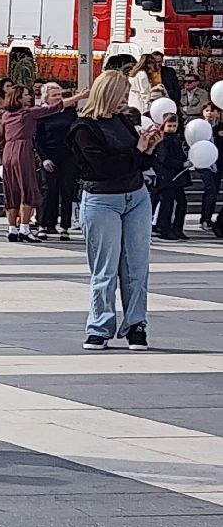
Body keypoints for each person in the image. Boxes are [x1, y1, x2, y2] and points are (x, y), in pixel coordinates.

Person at [70, 69, 162, 350]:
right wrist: (138, 151)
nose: (125, 100)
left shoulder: (122, 121)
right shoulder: (83, 128)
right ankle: (99, 326)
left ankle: (136, 324)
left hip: (135, 196)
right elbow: (103, 169)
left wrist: (148, 149)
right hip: (101, 199)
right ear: (107, 93)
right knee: (105, 268)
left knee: (136, 266)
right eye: (121, 94)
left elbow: (138, 164)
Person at [0, 80, 82, 243]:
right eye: (27, 95)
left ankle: (12, 228)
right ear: (19, 98)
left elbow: (0, 139)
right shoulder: (28, 113)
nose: (30, 97)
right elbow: (54, 107)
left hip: (8, 151)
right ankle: (25, 228)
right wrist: (81, 96)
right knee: (26, 190)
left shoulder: (6, 115)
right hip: (22, 150)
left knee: (11, 192)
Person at [34, 82, 80, 239]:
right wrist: (44, 158)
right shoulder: (41, 113)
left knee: (67, 190)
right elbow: (37, 139)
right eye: (54, 95)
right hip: (49, 155)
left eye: (60, 95)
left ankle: (65, 226)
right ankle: (43, 224)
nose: (58, 98)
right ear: (46, 97)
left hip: (68, 156)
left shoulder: (69, 112)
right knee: (48, 190)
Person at [151, 112, 190, 242]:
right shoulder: (162, 140)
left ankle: (178, 228)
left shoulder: (176, 138)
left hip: (178, 177)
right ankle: (164, 229)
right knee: (166, 204)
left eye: (174, 125)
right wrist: (181, 164)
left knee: (182, 203)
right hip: (166, 177)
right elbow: (164, 159)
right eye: (169, 125)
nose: (172, 128)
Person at [198, 102, 222, 234]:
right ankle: (205, 219)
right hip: (203, 164)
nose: (210, 113)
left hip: (217, 164)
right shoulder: (198, 127)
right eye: (207, 110)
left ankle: (207, 218)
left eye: (213, 111)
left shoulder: (219, 128)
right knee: (211, 189)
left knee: (214, 191)